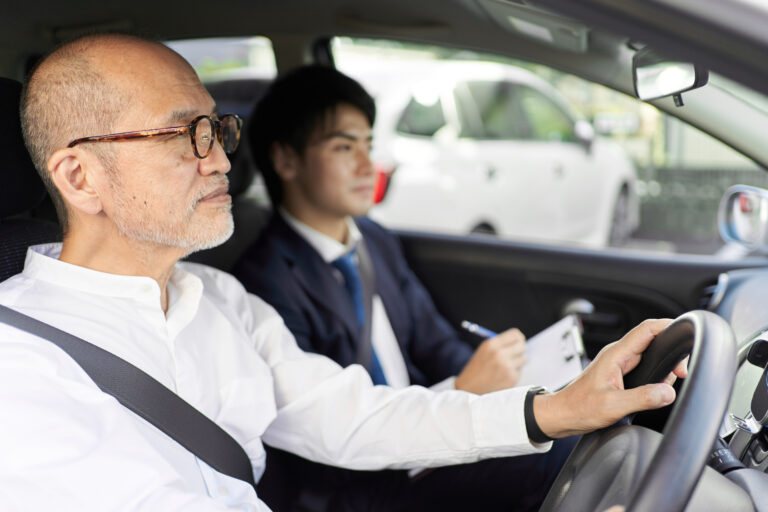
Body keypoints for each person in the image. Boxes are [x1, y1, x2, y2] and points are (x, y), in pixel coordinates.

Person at [0, 33, 684, 512]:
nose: (219, 160)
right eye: (185, 134)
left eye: (217, 127)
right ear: (79, 177)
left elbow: (350, 415)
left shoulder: (219, 298)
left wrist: (555, 410)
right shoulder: (19, 367)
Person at [232, 64, 577, 511]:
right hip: (359, 485)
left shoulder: (373, 240)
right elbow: (322, 437)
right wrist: (460, 393)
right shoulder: (263, 283)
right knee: (556, 452)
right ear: (286, 160)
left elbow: (433, 339)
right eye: (343, 147)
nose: (366, 164)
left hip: (429, 442)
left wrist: (497, 380)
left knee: (566, 435)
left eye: (368, 145)